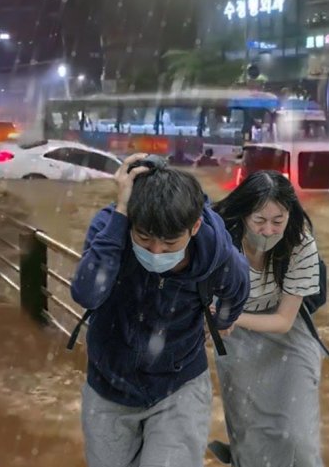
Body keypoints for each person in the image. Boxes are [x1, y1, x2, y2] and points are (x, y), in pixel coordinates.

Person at [70, 153, 250, 467]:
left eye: (169, 243)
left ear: (194, 227)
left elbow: (237, 289)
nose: (156, 251)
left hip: (178, 387)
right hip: (108, 387)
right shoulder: (110, 229)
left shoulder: (215, 252)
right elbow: (87, 293)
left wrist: (223, 321)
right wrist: (123, 210)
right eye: (144, 238)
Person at [209, 170, 325, 467]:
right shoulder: (219, 240)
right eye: (259, 221)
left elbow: (285, 320)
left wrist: (233, 319)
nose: (268, 230)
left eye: (278, 221)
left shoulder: (300, 243)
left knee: (299, 438)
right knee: (251, 434)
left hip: (287, 333)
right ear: (243, 214)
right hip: (236, 340)